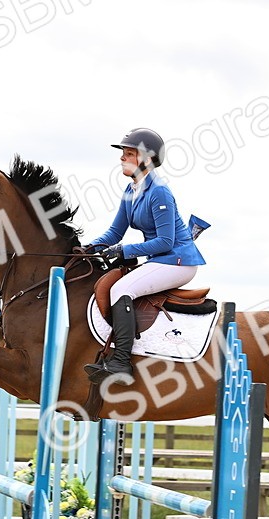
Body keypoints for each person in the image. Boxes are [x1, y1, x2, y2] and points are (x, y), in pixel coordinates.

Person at [77, 128, 206, 383]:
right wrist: (87, 249)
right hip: (160, 259)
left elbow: (165, 241)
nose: (122, 158)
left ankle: (121, 362)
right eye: (123, 154)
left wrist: (125, 251)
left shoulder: (159, 191)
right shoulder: (130, 190)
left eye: (129, 154)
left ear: (146, 159)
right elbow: (114, 232)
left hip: (178, 261)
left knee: (121, 289)